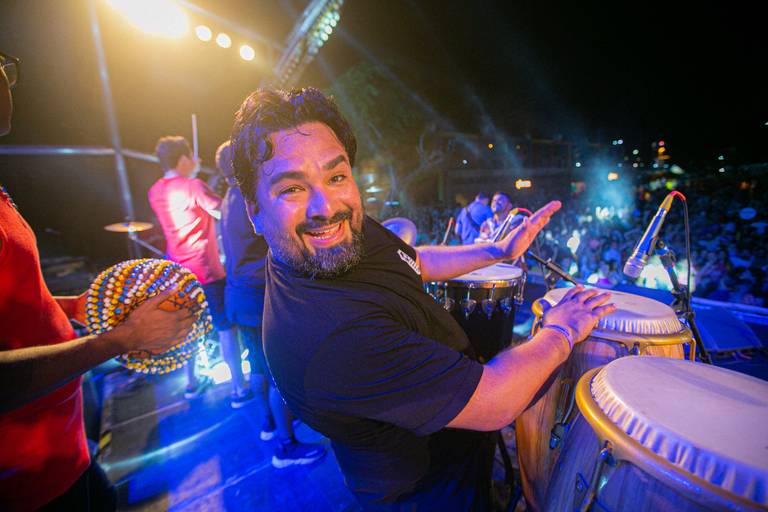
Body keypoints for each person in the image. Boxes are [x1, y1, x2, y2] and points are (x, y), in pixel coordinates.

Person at [230, 87, 615, 510]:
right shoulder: (331, 336)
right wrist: (561, 330)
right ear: (254, 211)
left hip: (456, 452)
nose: (326, 206)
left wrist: (498, 250)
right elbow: (497, 400)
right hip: (429, 492)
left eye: (336, 176)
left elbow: (414, 261)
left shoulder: (333, 236)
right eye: (292, 189)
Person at [0, 52, 195, 511]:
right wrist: (124, 338)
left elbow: (13, 302)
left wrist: (72, 306)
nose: (7, 77)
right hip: (26, 480)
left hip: (68, 451)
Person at [215, 141, 326, 466]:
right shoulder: (250, 200)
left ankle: (269, 424)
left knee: (258, 366)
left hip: (238, 295)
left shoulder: (228, 198)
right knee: (281, 371)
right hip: (258, 295)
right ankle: (285, 446)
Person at [148, 136, 236, 400]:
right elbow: (224, 211)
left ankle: (191, 383)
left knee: (188, 328)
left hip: (178, 272)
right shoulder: (193, 186)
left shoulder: (155, 191)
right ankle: (239, 388)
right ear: (184, 158)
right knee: (225, 327)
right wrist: (196, 176)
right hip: (206, 269)